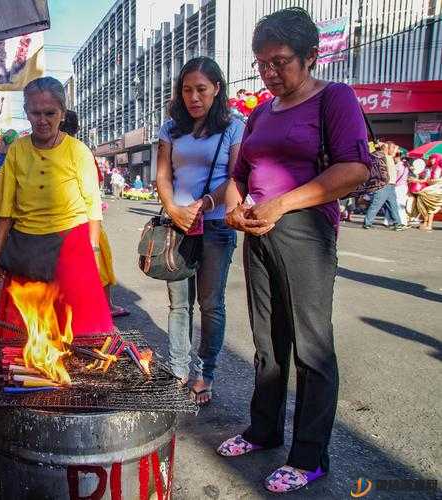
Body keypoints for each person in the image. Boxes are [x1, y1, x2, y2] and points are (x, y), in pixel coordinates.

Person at [219, 8, 372, 493]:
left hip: (305, 230)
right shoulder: (261, 112)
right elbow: (238, 174)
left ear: (310, 56)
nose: (269, 73)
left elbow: (354, 169)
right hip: (258, 232)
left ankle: (309, 457)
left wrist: (282, 203)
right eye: (261, 63)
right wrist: (235, 205)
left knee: (311, 347)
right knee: (268, 343)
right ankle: (263, 431)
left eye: (280, 62)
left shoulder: (334, 98)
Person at [0, 77, 113, 340]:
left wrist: (92, 252)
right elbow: (5, 208)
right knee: (26, 332)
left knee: (79, 331)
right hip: (26, 246)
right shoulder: (17, 151)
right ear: (26, 113)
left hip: (72, 241)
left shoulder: (78, 151)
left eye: (50, 113)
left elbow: (92, 207)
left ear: (62, 114)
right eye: (35, 113)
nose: (42, 120)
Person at [155, 56, 243, 405]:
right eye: (187, 90)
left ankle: (205, 374)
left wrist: (205, 203)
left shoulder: (233, 127)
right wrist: (175, 210)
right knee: (179, 305)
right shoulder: (170, 127)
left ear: (217, 89)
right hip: (177, 226)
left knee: (210, 304)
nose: (193, 97)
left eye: (201, 90)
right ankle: (178, 370)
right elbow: (162, 176)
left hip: (217, 224)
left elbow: (237, 176)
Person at [61, 110, 129, 319]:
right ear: (77, 129)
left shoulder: (45, 148)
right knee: (101, 261)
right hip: (83, 217)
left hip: (56, 221)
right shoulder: (80, 150)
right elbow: (94, 186)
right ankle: (105, 306)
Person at [363, 142, 406, 230]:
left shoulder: (390, 157)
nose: (394, 150)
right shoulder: (381, 157)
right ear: (386, 149)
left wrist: (394, 147)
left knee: (393, 206)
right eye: (392, 148)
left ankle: (398, 223)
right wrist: (383, 145)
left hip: (391, 185)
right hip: (384, 185)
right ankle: (367, 223)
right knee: (376, 204)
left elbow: (394, 151)